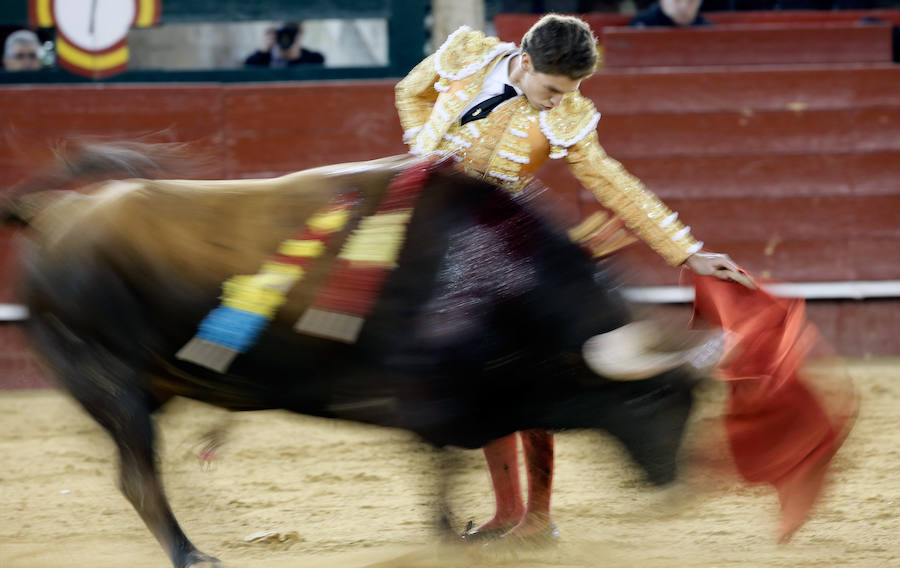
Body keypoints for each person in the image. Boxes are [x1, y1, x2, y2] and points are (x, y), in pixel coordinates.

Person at [395, 14, 750, 544]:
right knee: (473, 373)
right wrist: (422, 149)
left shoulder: (570, 114)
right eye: (552, 89)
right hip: (438, 235)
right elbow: (411, 90)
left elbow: (613, 184)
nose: (559, 101)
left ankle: (535, 517)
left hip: (504, 241)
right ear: (526, 61)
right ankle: (506, 511)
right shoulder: (468, 54)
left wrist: (688, 252)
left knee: (526, 369)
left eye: (570, 91)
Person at [244, 22, 325, 68]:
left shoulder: (313, 59)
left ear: (300, 34)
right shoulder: (261, 59)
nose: (286, 38)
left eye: (292, 32)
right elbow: (248, 65)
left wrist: (296, 59)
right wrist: (264, 52)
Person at [630, 0, 710, 28]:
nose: (683, 7)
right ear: (663, 2)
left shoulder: (707, 29)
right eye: (677, 1)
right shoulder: (643, 24)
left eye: (691, 2)